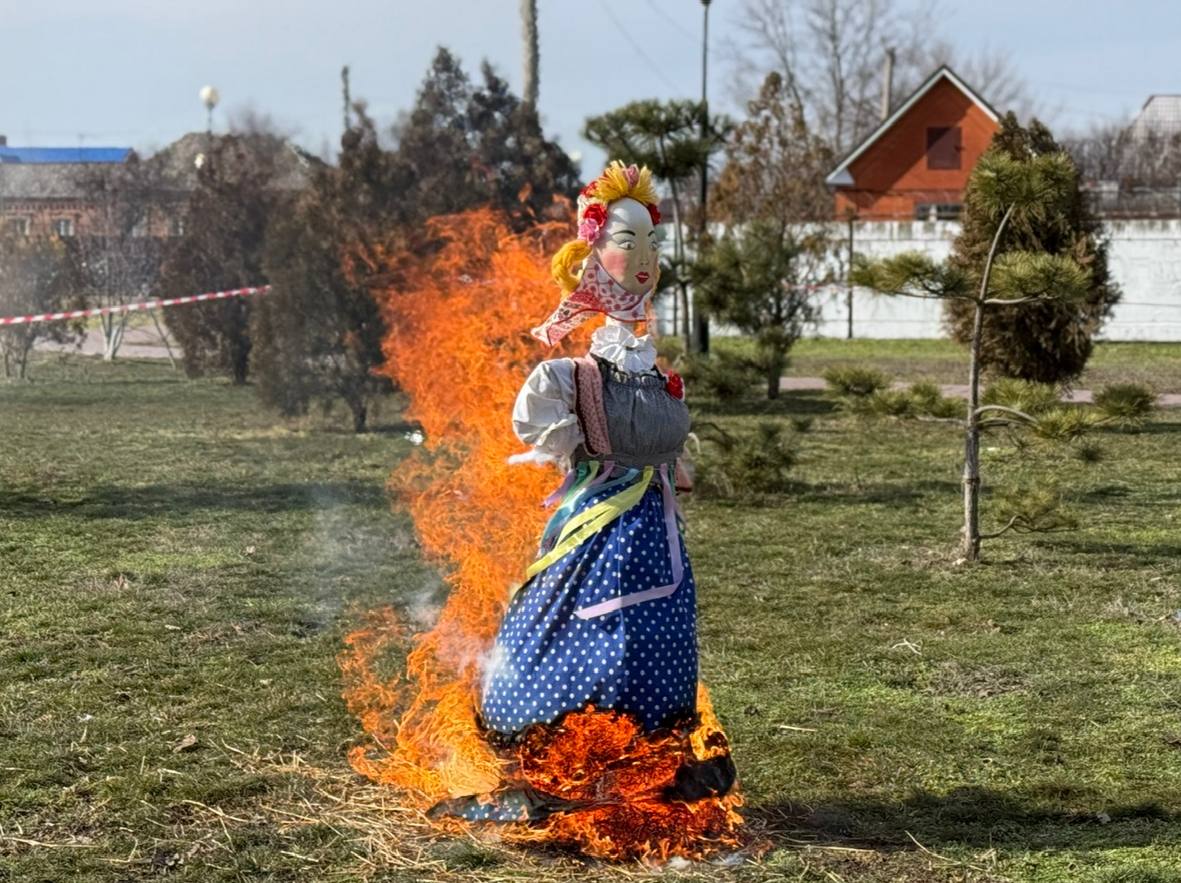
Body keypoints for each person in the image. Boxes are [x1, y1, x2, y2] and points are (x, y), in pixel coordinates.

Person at [479, 162, 699, 737]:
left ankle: (648, 745)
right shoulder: (575, 376)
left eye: (653, 240)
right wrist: (578, 452)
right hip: (599, 531)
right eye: (628, 240)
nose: (646, 255)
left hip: (657, 530)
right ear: (594, 252)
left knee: (657, 632)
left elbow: (667, 448)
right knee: (597, 630)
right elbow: (536, 420)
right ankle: (572, 737)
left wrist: (672, 468)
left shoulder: (657, 374)